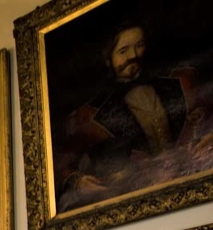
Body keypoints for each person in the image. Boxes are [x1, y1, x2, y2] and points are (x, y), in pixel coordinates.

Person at [57, 22, 213, 212]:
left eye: (139, 46)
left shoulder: (182, 81)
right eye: (123, 51)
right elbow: (57, 164)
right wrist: (76, 180)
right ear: (108, 59)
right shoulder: (88, 116)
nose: (133, 56)